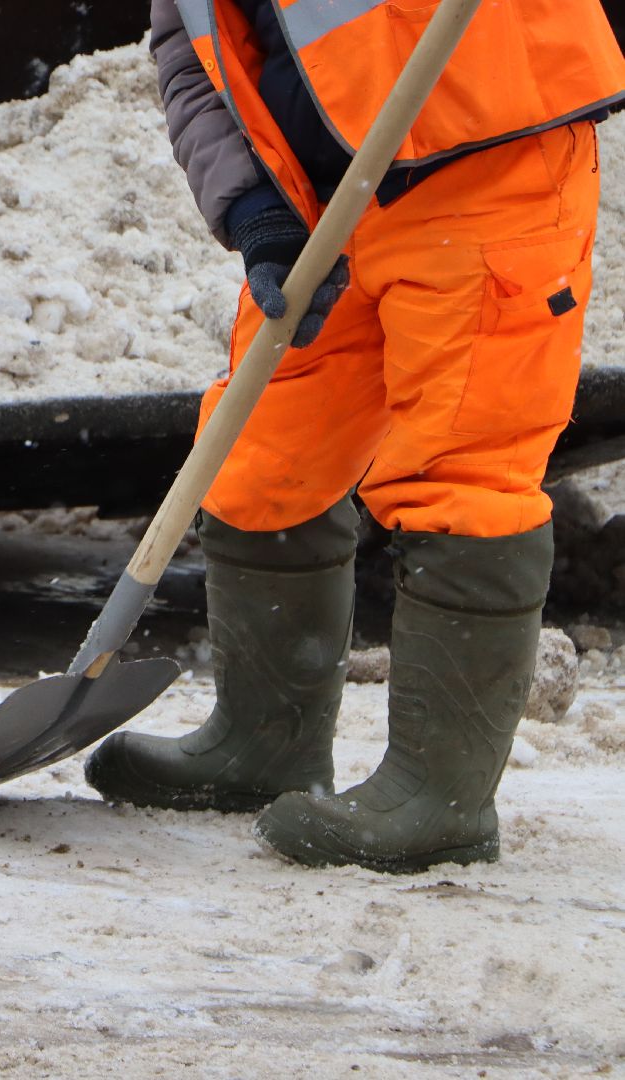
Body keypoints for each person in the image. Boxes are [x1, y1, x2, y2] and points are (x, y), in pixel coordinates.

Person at [83, 0, 625, 873]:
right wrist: (253, 206)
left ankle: (438, 800)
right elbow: (193, 57)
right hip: (327, 202)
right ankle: (263, 745)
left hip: (491, 169)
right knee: (262, 452)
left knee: (460, 469)